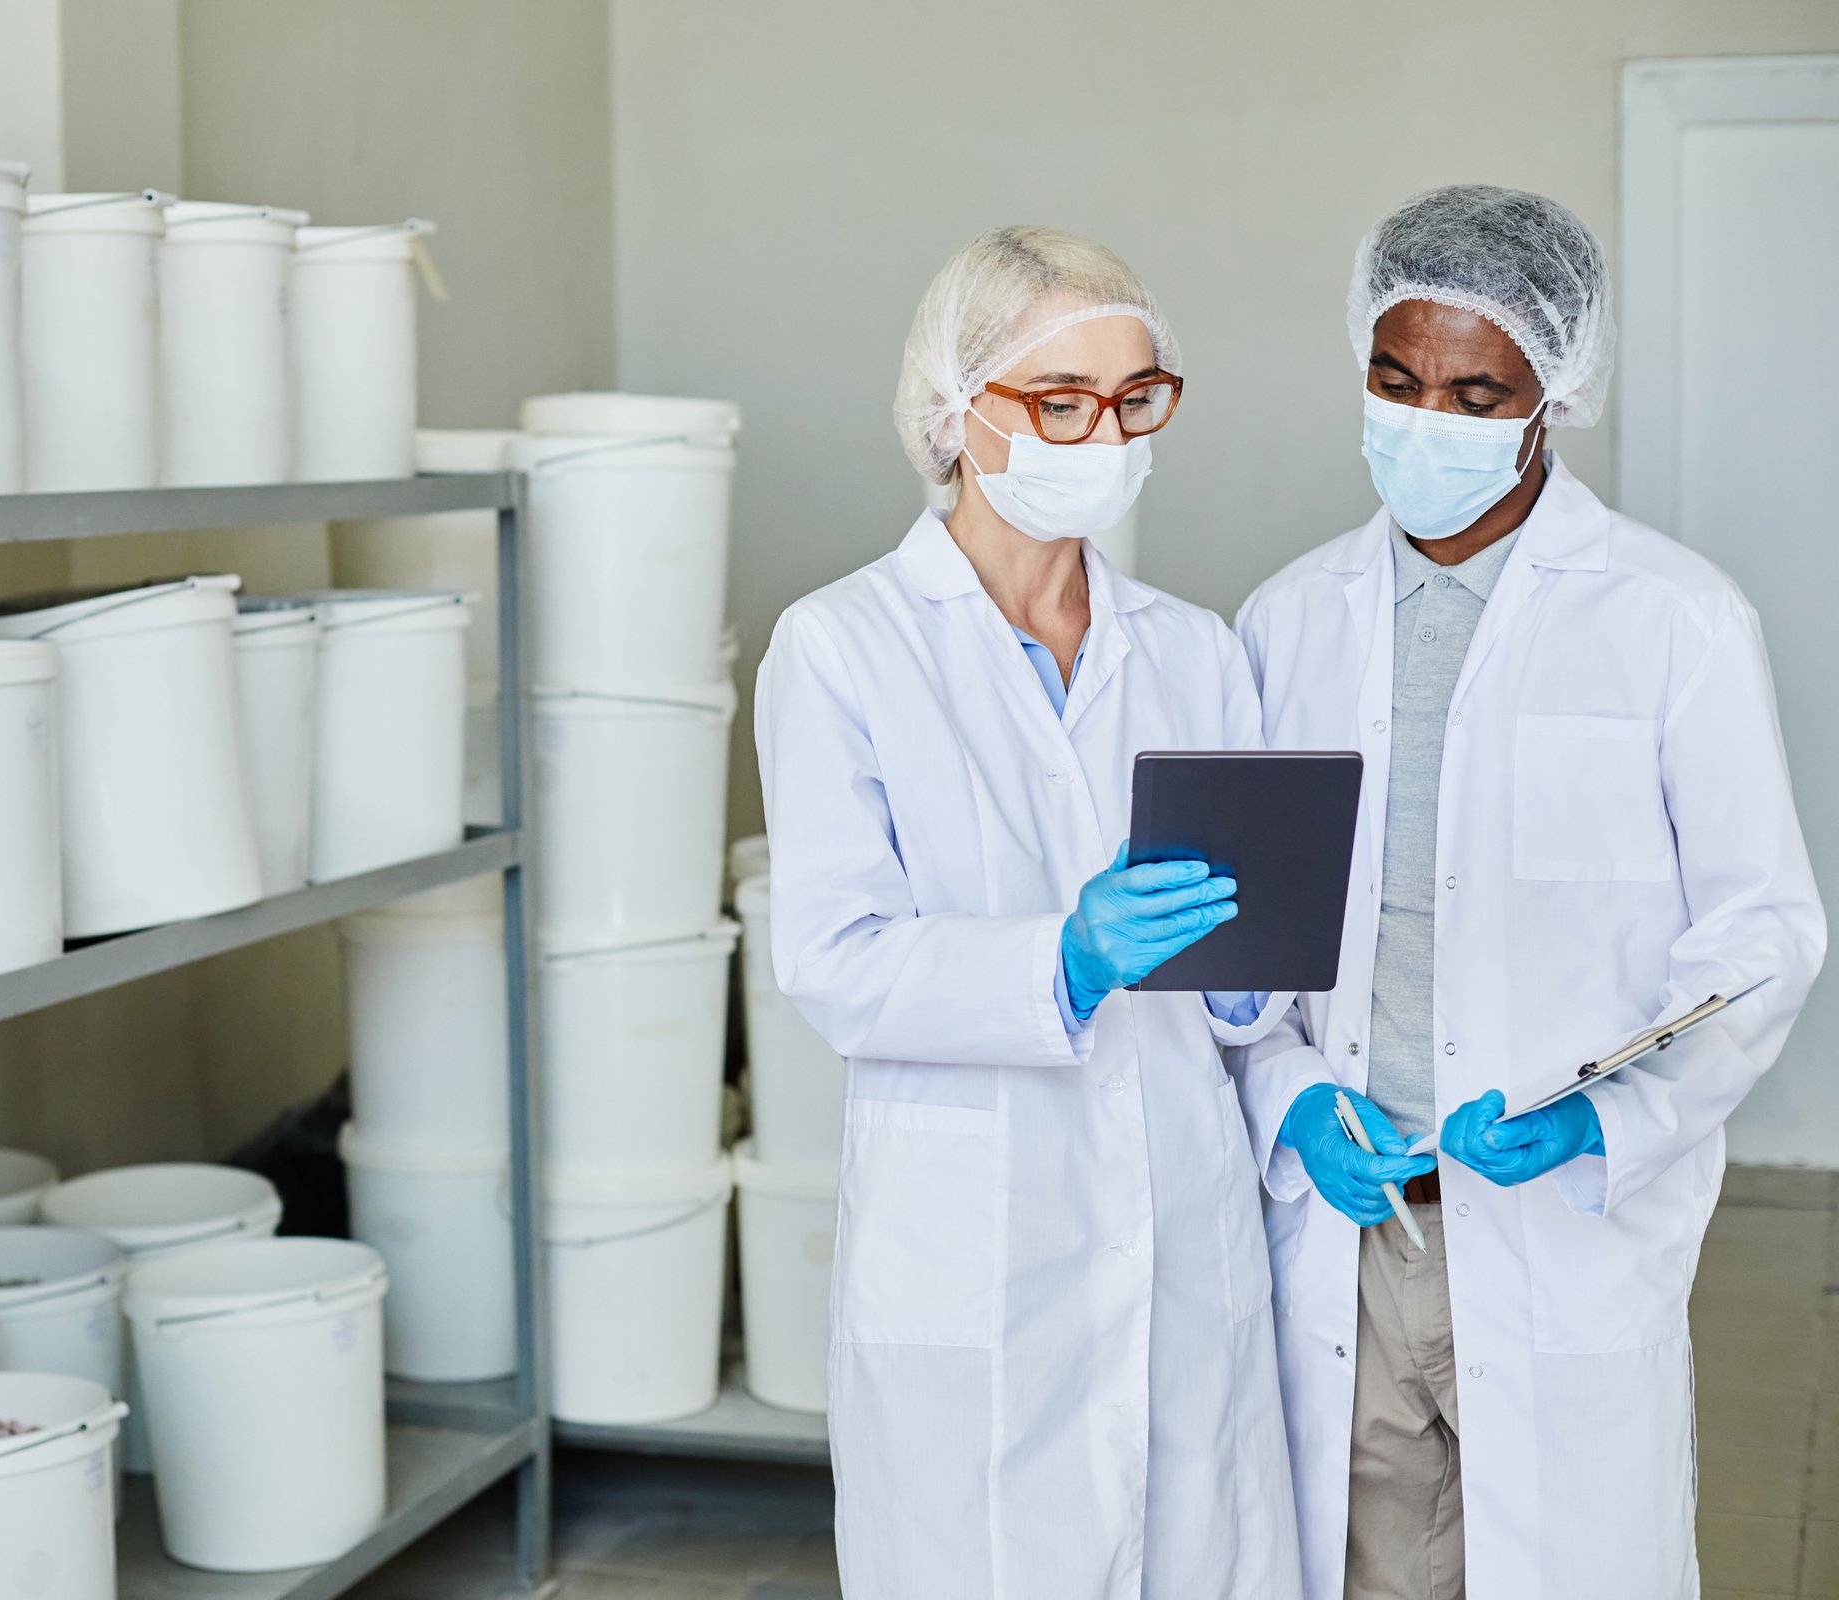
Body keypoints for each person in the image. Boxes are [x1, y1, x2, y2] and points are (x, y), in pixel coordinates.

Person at [1233, 185, 1827, 1599]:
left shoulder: (1672, 619)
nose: (1425, 419)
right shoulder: (1282, 623)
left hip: (1560, 1222)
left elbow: (1764, 938)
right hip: (1354, 1234)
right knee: (1359, 1566)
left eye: (1474, 389)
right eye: (1396, 380)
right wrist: (1288, 1104)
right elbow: (1243, 959)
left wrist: (1602, 1117)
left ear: (1552, 396)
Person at [755, 226, 1302, 1599]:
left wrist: (1245, 977)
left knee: (1196, 1546)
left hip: (1185, 1230)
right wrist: (1061, 958)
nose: (1103, 433)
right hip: (977, 1250)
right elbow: (831, 959)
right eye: (1060, 402)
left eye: (1133, 399)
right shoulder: (843, 648)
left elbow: (1251, 986)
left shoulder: (1192, 647)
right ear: (955, 412)